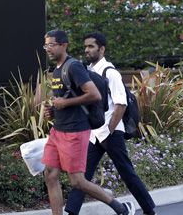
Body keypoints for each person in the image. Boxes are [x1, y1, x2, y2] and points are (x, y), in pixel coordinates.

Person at [36, 30, 134, 215]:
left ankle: (120, 208)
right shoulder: (57, 70)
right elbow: (68, 98)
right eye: (45, 45)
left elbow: (94, 94)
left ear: (63, 45)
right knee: (50, 174)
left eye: (51, 45)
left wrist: (65, 103)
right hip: (58, 131)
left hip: (75, 131)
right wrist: (55, 110)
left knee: (77, 181)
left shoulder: (74, 67)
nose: (47, 49)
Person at [64, 32, 156, 215]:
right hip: (94, 134)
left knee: (127, 173)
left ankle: (149, 210)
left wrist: (110, 129)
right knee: (82, 175)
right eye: (85, 47)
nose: (86, 50)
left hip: (110, 132)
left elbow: (120, 105)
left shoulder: (110, 72)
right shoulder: (88, 72)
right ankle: (71, 212)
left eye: (91, 46)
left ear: (102, 49)